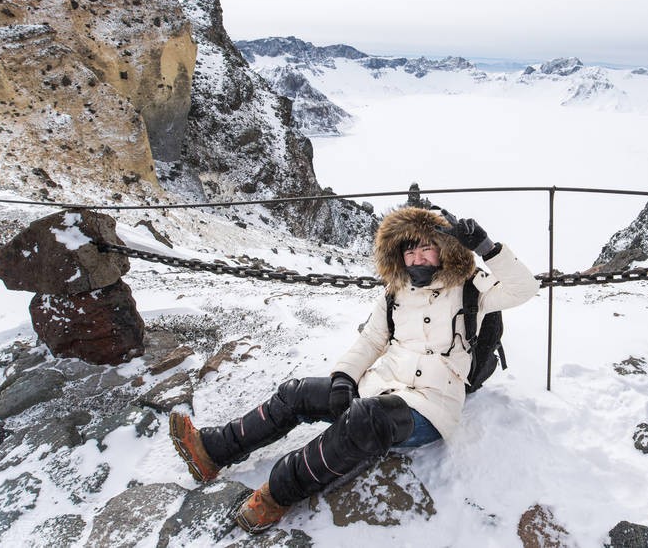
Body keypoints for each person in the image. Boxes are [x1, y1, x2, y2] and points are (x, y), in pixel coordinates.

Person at [168, 206, 540, 533]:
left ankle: (277, 494)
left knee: (366, 419)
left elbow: (525, 288)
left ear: (443, 249)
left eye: (426, 246)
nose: (417, 257)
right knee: (295, 393)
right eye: (409, 250)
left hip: (431, 407)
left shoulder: (471, 287)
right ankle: (212, 450)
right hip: (381, 388)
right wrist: (344, 378)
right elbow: (370, 342)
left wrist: (487, 247)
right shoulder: (394, 294)